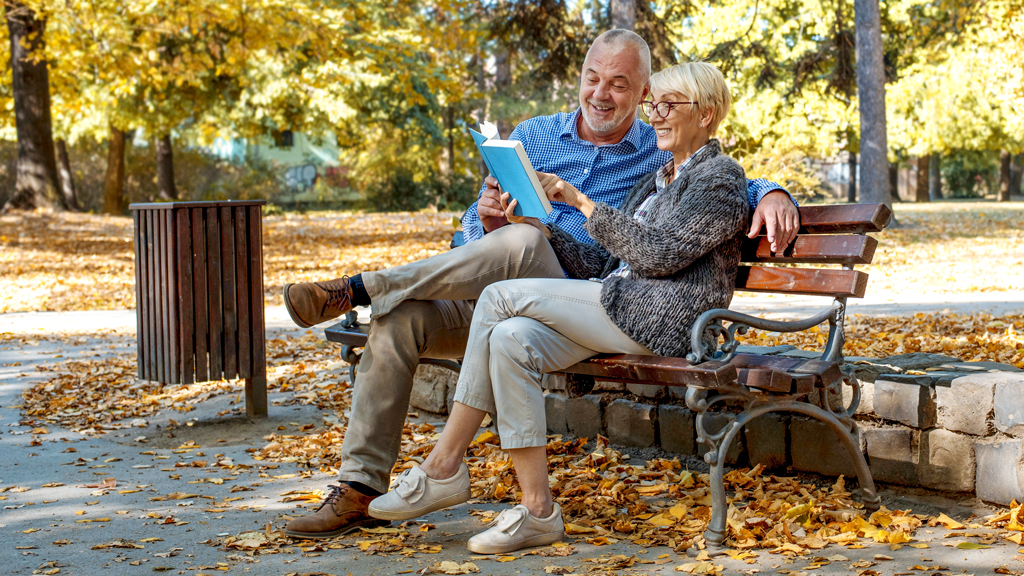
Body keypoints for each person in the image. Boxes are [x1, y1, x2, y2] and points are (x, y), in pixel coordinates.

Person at [281, 30, 799, 540]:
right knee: (402, 318)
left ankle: (360, 293)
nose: (601, 93)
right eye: (592, 78)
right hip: (503, 287)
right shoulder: (536, 134)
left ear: (642, 93)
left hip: (577, 293)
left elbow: (720, 179)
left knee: (526, 244)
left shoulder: (656, 148)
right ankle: (359, 486)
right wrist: (483, 220)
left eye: (619, 85)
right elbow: (474, 224)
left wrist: (774, 191)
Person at [366, 60, 750, 554]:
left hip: (664, 318)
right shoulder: (656, 179)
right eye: (654, 103)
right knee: (510, 340)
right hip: (620, 304)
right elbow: (601, 260)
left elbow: (661, 254)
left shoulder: (719, 177)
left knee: (499, 298)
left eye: (668, 105)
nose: (655, 114)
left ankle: (444, 465)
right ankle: (538, 511)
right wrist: (540, 226)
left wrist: (583, 202)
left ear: (707, 113)